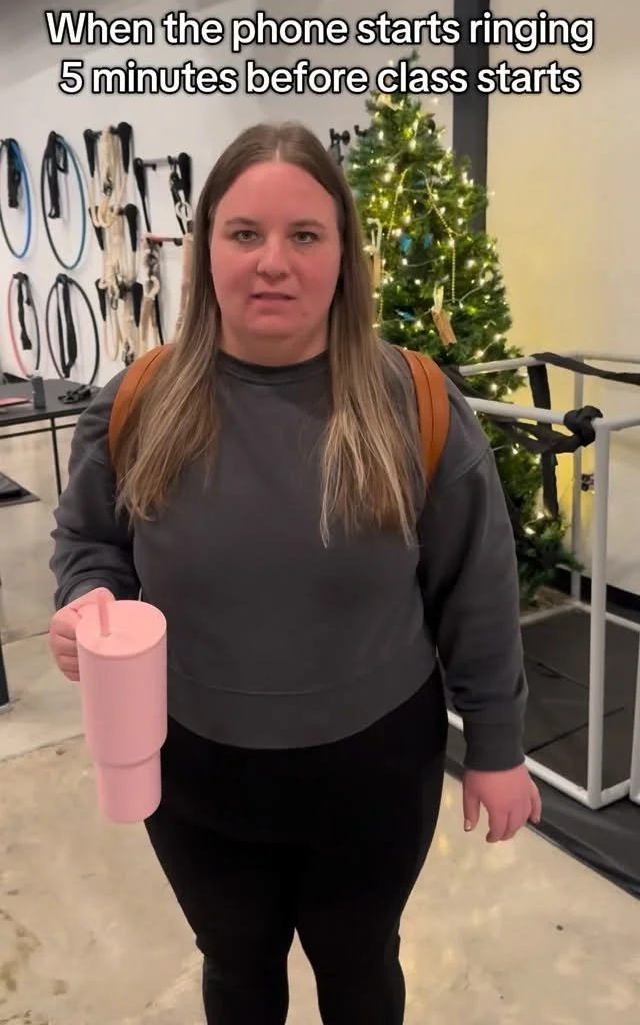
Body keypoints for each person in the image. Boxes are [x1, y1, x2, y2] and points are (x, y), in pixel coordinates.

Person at [48, 119, 541, 1025]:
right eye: (245, 233)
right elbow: (90, 541)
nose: (272, 262)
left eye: (304, 235)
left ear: (344, 256)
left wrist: (499, 747)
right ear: (205, 249)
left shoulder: (415, 405)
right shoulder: (139, 403)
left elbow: (477, 588)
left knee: (360, 970)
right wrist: (91, 602)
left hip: (375, 776)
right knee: (236, 971)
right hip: (192, 769)